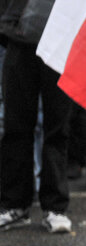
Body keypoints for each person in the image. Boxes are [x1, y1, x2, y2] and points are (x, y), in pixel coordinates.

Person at [0, 0, 73, 233]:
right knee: (17, 126)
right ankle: (19, 204)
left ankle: (51, 206)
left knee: (55, 128)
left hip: (55, 37)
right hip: (23, 35)